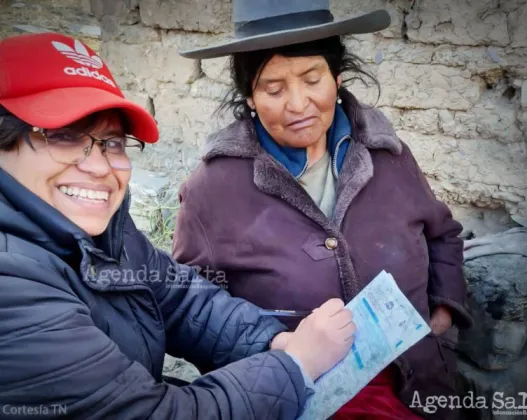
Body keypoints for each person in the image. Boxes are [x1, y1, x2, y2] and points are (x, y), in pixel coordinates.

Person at [0, 32, 357, 420]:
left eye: (113, 143)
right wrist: (295, 367)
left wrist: (274, 341)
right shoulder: (13, 288)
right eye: (63, 137)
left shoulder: (103, 237)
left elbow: (180, 297)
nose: (100, 166)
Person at [172, 1, 473, 419]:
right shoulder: (214, 187)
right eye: (273, 90)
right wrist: (268, 363)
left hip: (416, 389)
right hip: (296, 402)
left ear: (337, 78)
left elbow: (442, 235)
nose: (298, 104)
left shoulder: (386, 154)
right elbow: (191, 305)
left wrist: (440, 322)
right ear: (251, 98)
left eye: (313, 79)